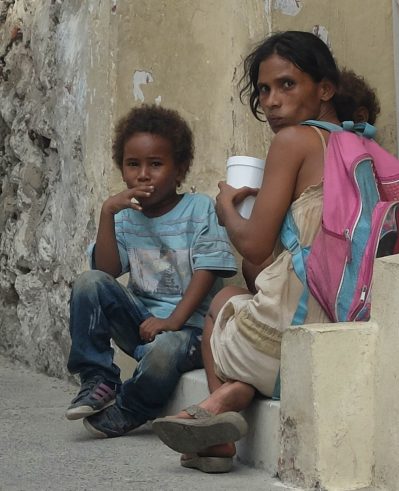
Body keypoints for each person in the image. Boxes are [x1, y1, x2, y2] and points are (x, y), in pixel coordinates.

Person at [151, 31, 346, 473]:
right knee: (244, 293)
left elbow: (255, 246)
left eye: (287, 85)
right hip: (346, 316)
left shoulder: (295, 141)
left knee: (221, 302)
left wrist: (227, 209)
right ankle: (229, 398)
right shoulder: (363, 148)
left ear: (325, 89)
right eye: (264, 90)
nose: (273, 100)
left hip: (291, 335)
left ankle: (222, 425)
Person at [65, 104, 237, 438]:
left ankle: (132, 407)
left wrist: (173, 322)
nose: (143, 174)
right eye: (133, 165)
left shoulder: (199, 208)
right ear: (122, 169)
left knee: (166, 348)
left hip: (191, 332)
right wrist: (107, 214)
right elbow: (107, 271)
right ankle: (98, 378)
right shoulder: (126, 218)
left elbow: (208, 270)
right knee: (89, 282)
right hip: (143, 325)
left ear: (180, 169)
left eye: (156, 164)